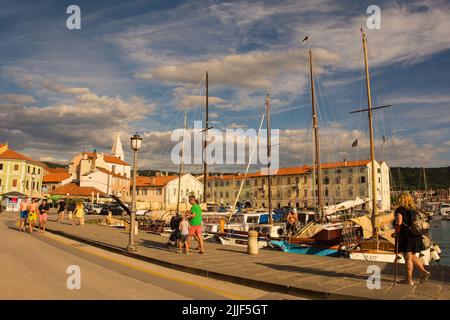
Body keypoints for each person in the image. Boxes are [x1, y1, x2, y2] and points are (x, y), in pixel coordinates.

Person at [394, 193, 431, 285]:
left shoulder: (400, 210)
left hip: (406, 236)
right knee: (412, 256)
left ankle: (409, 280)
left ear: (401, 200)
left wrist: (395, 233)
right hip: (416, 235)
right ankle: (423, 272)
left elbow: (399, 222)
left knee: (408, 258)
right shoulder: (414, 210)